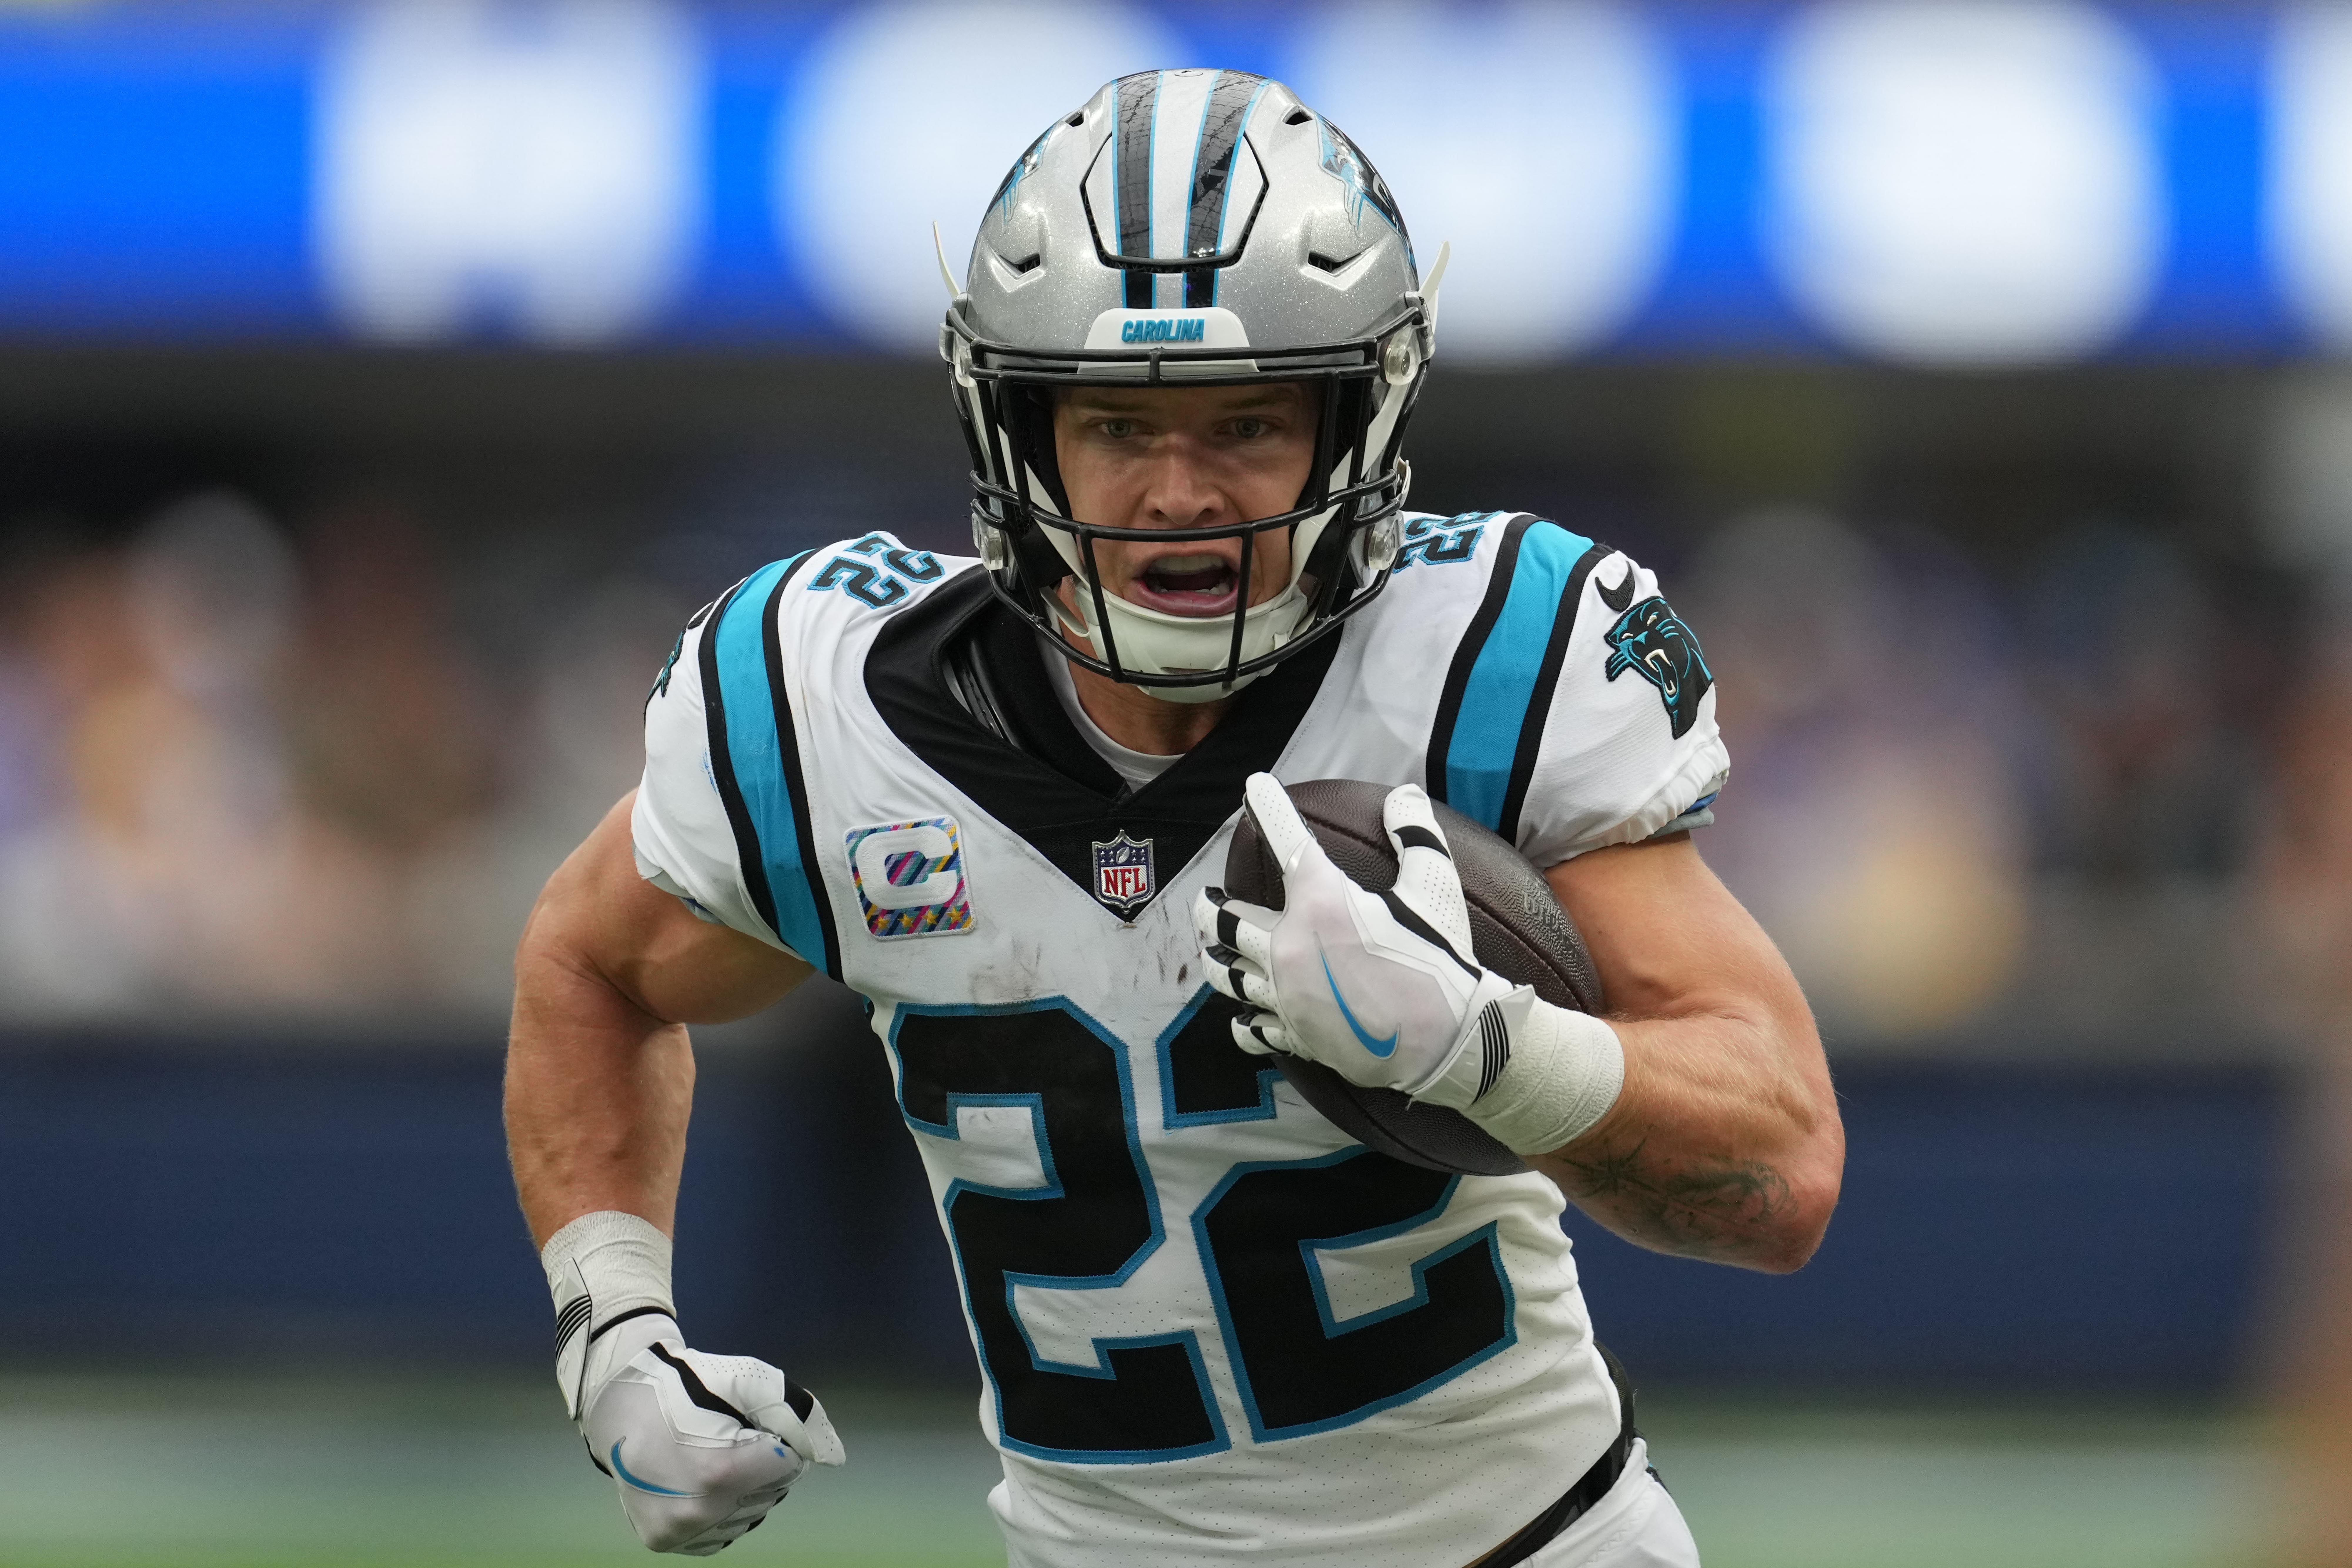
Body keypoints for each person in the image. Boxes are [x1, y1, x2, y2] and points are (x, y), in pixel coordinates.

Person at [505, 70, 1842, 1567]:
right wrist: (613, 1331)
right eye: (1117, 426)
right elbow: (590, 962)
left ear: (1356, 424)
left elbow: (1784, 1172)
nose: (1178, 491)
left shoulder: (1481, 666)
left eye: (1248, 422)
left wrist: (1485, 1046)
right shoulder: (831, 707)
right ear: (1020, 431)